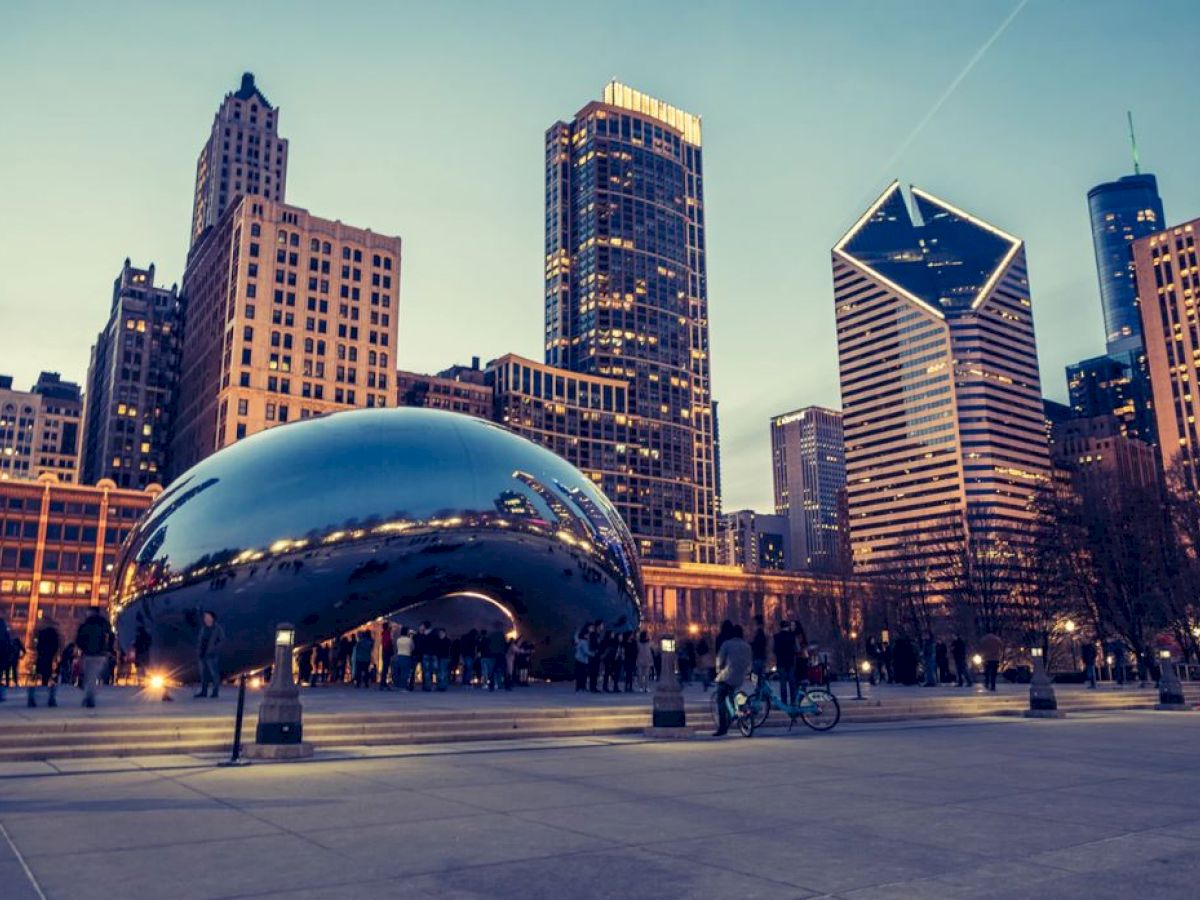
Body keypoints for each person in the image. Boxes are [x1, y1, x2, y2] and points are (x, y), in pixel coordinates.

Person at [712, 625, 752, 737]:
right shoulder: (747, 646)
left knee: (720, 699)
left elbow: (720, 658)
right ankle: (739, 711)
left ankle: (722, 727)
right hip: (740, 676)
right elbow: (749, 662)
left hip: (728, 675)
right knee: (733, 694)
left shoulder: (727, 644)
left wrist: (718, 669)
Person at [76, 606, 114, 708]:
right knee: (93, 676)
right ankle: (90, 697)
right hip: (101, 654)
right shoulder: (105, 624)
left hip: (89, 654)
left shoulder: (85, 624)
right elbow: (111, 637)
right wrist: (109, 650)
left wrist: (82, 648)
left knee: (89, 676)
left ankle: (90, 698)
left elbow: (79, 639)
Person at [28, 617, 61, 708]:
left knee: (36, 677)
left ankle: (33, 698)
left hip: (41, 656)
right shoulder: (53, 634)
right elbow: (56, 646)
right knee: (48, 677)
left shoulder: (41, 633)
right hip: (49, 658)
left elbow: (35, 646)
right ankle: (50, 699)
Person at [195, 610, 225, 698]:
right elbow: (200, 640)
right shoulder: (203, 628)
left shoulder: (217, 628)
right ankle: (203, 691)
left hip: (212, 655)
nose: (205, 618)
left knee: (214, 674)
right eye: (205, 617)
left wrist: (214, 649)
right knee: (203, 674)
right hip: (202, 654)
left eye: (207, 616)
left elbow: (222, 640)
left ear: (212, 618)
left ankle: (215, 692)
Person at [773, 621, 796, 704]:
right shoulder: (792, 636)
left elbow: (775, 650)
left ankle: (784, 701)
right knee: (792, 682)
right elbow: (795, 649)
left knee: (783, 683)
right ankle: (793, 700)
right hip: (790, 661)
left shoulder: (776, 637)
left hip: (781, 662)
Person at [392, 626, 414, 691]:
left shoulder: (398, 639)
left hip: (399, 656)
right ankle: (403, 686)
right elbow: (412, 647)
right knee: (405, 672)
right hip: (407, 656)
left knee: (398, 671)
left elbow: (395, 648)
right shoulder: (409, 640)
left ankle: (397, 685)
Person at [574, 624, 592, 692]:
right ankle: (581, 687)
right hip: (581, 660)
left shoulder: (581, 642)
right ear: (585, 635)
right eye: (587, 635)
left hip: (581, 660)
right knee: (582, 675)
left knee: (581, 675)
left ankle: (581, 687)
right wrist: (593, 654)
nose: (588, 636)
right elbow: (586, 651)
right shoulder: (583, 642)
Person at [750, 616, 768, 682]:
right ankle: (760, 687)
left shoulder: (759, 634)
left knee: (756, 675)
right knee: (761, 675)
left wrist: (751, 644)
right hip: (761, 656)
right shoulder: (762, 633)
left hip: (757, 657)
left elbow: (757, 645)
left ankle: (758, 688)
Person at [434, 627, 452, 691]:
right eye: (440, 633)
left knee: (443, 672)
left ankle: (443, 686)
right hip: (438, 657)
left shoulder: (447, 640)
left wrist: (449, 657)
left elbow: (449, 650)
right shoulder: (438, 640)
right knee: (439, 672)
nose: (440, 634)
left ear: (444, 633)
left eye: (441, 632)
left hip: (444, 657)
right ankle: (439, 685)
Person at [379, 623, 395, 690]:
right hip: (386, 652)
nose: (391, 627)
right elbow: (387, 643)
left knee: (385, 668)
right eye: (389, 626)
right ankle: (383, 684)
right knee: (385, 668)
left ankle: (383, 683)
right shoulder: (386, 633)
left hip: (385, 652)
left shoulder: (385, 633)